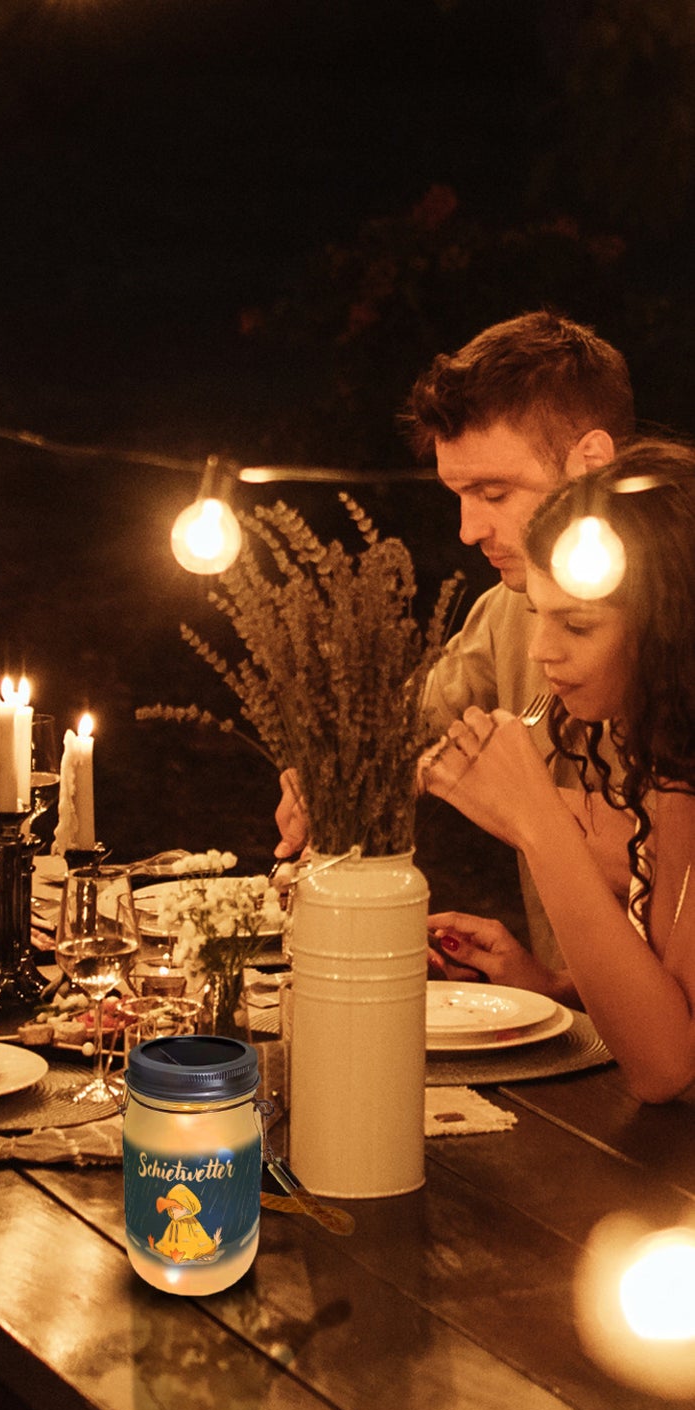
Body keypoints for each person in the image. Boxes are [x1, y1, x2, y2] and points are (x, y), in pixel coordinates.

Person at [274, 310, 636, 967]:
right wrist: (329, 779)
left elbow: (667, 873)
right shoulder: (508, 608)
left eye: (493, 492)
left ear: (589, 462)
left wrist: (517, 803)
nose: (468, 528)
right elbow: (399, 736)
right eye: (457, 494)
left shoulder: (675, 611)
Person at [422, 438, 695, 1104]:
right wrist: (553, 985)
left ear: (671, 626)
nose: (543, 651)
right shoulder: (671, 768)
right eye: (538, 617)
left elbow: (667, 1068)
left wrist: (537, 821)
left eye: (575, 624)